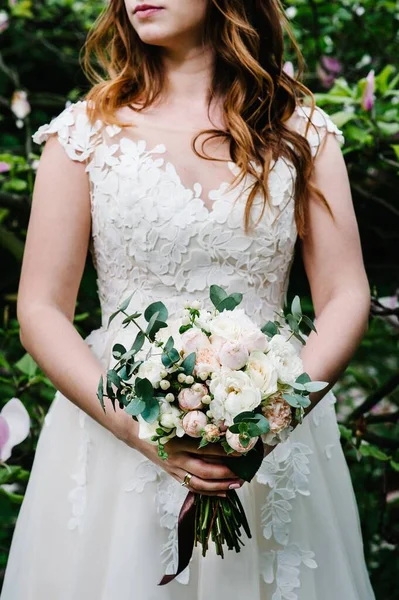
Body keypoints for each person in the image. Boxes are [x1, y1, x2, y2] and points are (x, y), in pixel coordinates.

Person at [1, 1, 376, 599]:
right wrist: (137, 431)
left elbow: (347, 294)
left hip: (272, 442)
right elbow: (40, 310)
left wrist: (270, 420)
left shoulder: (302, 133)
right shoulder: (83, 134)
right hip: (114, 432)